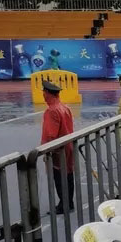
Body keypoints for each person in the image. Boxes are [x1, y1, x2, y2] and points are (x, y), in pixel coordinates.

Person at [40, 80, 76, 214]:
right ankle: (69, 202)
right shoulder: (65, 108)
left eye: (44, 92)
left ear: (47, 93)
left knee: (59, 176)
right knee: (68, 174)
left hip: (58, 150)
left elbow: (51, 135)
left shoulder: (51, 111)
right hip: (68, 146)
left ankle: (64, 204)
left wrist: (47, 151)